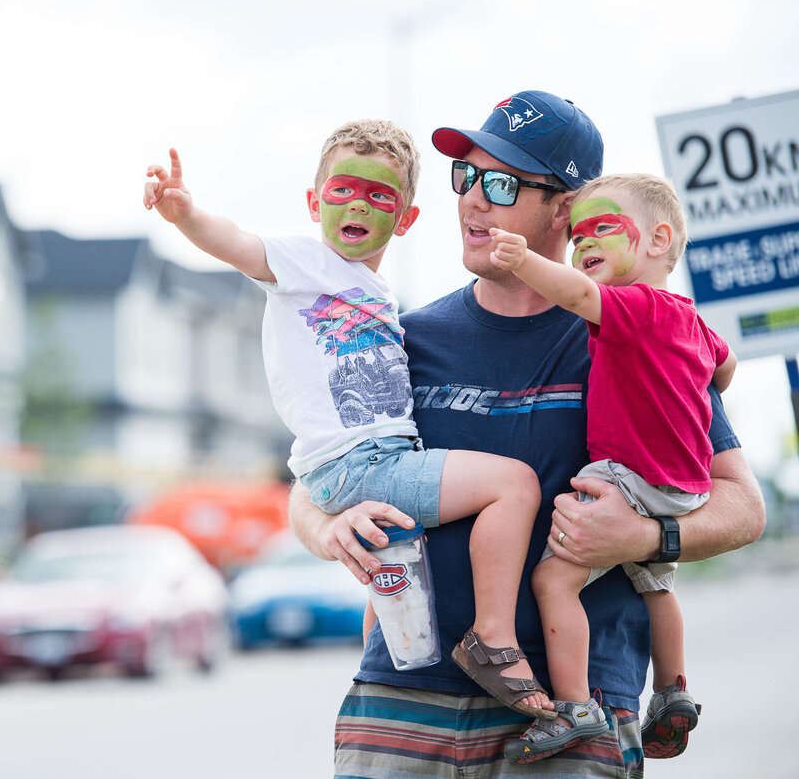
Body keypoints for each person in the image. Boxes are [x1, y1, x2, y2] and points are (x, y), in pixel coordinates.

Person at [288, 90, 765, 778]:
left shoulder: (639, 332)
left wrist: (642, 538)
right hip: (403, 697)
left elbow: (742, 507)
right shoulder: (403, 338)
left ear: (565, 210)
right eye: (467, 177)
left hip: (573, 717)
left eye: (503, 183)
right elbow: (311, 482)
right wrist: (323, 528)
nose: (473, 201)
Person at [142, 120, 561, 718]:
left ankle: (398, 660)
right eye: (342, 190)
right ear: (315, 203)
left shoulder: (378, 292)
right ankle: (492, 638)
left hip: (382, 458)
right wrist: (186, 215)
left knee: (400, 570)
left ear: (406, 218)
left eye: (379, 195)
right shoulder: (304, 263)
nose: (358, 204)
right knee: (513, 485)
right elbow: (239, 243)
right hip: (358, 463)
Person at [489, 172, 736, 761]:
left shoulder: (637, 308)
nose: (583, 244)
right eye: (577, 236)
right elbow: (724, 370)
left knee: (554, 579)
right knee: (655, 584)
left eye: (603, 228)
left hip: (628, 476)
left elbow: (577, 298)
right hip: (683, 485)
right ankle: (673, 692)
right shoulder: (690, 321)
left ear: (658, 241)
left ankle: (574, 707)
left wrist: (525, 259)